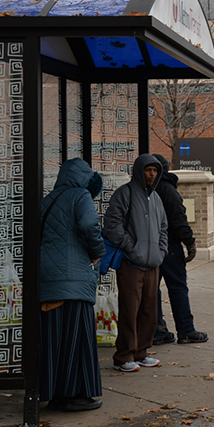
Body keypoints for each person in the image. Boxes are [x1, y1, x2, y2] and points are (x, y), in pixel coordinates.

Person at [39, 158, 106, 411]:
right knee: (78, 338)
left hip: (49, 279)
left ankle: (55, 393)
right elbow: (90, 225)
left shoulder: (47, 200)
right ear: (85, 178)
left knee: (55, 339)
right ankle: (74, 395)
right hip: (74, 279)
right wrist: (97, 252)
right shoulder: (81, 196)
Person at [104, 153, 168, 372]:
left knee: (149, 311)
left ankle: (141, 352)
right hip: (131, 263)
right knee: (129, 311)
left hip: (152, 265)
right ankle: (124, 356)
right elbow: (112, 224)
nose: (152, 174)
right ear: (140, 171)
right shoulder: (125, 193)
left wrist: (161, 252)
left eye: (155, 171)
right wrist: (130, 246)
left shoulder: (157, 198)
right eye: (148, 170)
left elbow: (163, 229)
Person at [151, 153, 207, 346]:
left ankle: (158, 331)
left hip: (148, 247)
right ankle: (186, 331)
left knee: (152, 290)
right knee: (177, 288)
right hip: (170, 247)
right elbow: (178, 219)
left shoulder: (143, 190)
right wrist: (189, 243)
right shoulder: (168, 189)